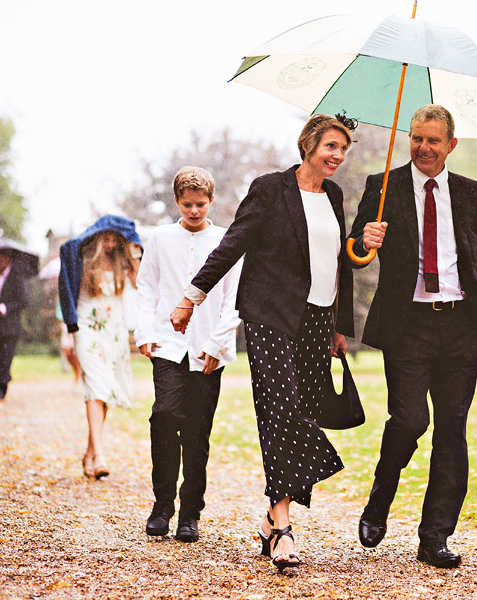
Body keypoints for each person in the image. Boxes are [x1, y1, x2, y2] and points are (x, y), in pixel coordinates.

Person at [170, 114, 355, 571]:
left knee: (299, 412)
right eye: (331, 146)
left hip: (317, 318)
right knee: (283, 411)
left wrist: (339, 322)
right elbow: (232, 244)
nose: (337, 156)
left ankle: (273, 520)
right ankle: (284, 526)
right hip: (270, 316)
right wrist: (191, 297)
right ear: (309, 144)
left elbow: (340, 261)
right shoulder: (270, 188)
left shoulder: (334, 195)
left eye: (343, 149)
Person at [347, 104, 477, 569]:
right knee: (410, 421)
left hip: (458, 325)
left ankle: (434, 537)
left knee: (452, 431)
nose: (423, 148)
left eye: (433, 140)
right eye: (416, 138)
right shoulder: (382, 185)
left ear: (451, 144)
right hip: (407, 324)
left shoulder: (472, 193)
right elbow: (353, 251)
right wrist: (364, 245)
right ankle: (380, 498)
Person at [135, 166, 243, 543]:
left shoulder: (226, 240)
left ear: (211, 201)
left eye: (200, 204)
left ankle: (190, 512)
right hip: (167, 344)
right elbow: (147, 287)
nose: (194, 211)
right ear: (177, 202)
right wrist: (145, 332)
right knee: (164, 415)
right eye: (187, 205)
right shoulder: (161, 238)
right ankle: (161, 504)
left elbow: (234, 297)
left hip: (207, 349)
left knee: (198, 431)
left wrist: (217, 344)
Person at [59, 215, 142, 480]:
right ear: (96, 237)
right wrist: (70, 329)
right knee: (95, 385)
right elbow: (68, 291)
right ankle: (101, 452)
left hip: (114, 331)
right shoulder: (80, 258)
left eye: (113, 238)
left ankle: (90, 453)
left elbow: (142, 285)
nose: (108, 243)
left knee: (104, 391)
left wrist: (133, 255)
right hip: (87, 328)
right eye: (104, 237)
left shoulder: (124, 262)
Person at [0, 250, 29, 401]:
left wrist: (3, 307)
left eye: (1, 259)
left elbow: (23, 301)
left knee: (6, 357)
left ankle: (0, 390)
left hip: (10, 324)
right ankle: (5, 375)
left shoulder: (17, 277)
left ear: (8, 259)